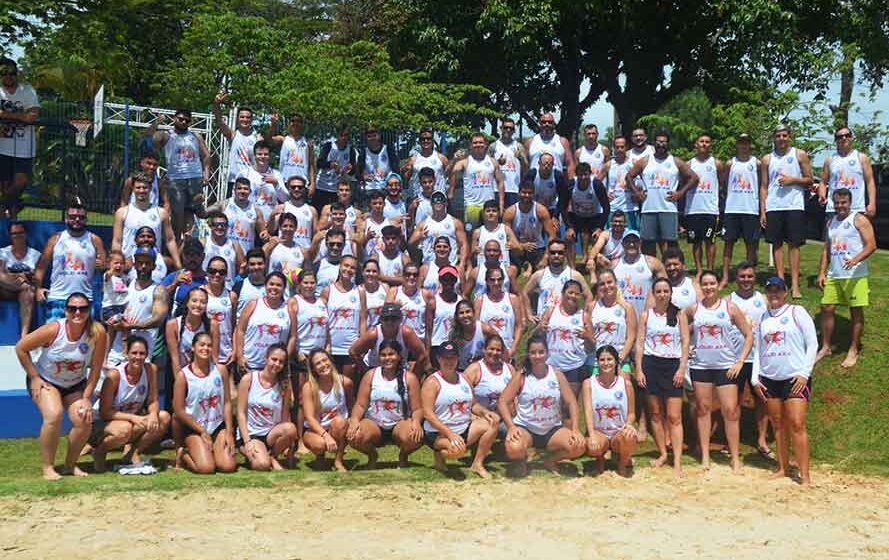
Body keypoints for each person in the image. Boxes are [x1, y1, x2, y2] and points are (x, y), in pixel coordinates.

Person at [15, 292, 107, 480]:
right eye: (72, 308)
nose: (77, 312)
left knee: (84, 419)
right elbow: (21, 348)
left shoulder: (98, 332)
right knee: (54, 415)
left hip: (75, 384)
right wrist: (34, 377)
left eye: (83, 308)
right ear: (65, 310)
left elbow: (96, 370)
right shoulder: (53, 329)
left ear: (89, 310)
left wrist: (86, 398)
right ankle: (48, 467)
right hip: (45, 379)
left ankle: (70, 465)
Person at [686, 270, 754, 473]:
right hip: (701, 366)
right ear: (700, 287)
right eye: (704, 284)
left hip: (726, 366)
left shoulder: (730, 307)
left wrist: (740, 361)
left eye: (712, 283)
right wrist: (687, 348)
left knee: (730, 411)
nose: (708, 288)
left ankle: (734, 458)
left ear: (718, 285)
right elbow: (682, 332)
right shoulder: (693, 310)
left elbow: (749, 334)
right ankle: (705, 456)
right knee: (703, 409)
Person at [753, 276, 817, 485]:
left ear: (785, 292)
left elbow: (812, 343)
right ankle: (783, 467)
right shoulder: (762, 318)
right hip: (770, 378)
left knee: (797, 423)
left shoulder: (796, 313)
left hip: (795, 377)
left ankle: (804, 474)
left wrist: (804, 373)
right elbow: (757, 350)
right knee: (778, 424)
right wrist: (755, 378)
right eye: (770, 290)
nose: (774, 294)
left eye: (778, 290)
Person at [498, 335, 586, 476]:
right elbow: (503, 401)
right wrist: (511, 427)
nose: (537, 356)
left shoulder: (556, 375)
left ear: (547, 353)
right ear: (528, 354)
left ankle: (550, 461)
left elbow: (572, 402)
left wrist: (575, 429)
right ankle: (521, 461)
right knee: (513, 448)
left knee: (579, 446)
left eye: (541, 352)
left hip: (552, 429)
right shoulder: (522, 376)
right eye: (533, 352)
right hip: (526, 428)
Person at [635, 278, 690, 477]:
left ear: (670, 293)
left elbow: (685, 343)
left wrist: (681, 369)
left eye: (666, 291)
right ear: (653, 293)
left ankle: (677, 460)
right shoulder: (646, 315)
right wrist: (639, 370)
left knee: (674, 417)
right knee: (656, 415)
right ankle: (663, 453)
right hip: (651, 365)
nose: (662, 294)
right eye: (658, 291)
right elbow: (640, 343)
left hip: (672, 366)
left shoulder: (679, 314)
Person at [816, 188, 876, 368]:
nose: (840, 206)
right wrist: (821, 272)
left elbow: (871, 245)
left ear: (850, 202)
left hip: (855, 275)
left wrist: (855, 260)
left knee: (855, 312)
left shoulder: (859, 219)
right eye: (837, 202)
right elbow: (827, 249)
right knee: (827, 307)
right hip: (835, 274)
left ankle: (853, 348)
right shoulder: (831, 221)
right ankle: (826, 346)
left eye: (844, 202)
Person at [92, 336, 170, 472]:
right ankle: (99, 452)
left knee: (163, 417)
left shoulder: (150, 369)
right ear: (126, 354)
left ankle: (133, 452)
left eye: (142, 354)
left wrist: (152, 413)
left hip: (132, 420)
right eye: (134, 353)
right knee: (124, 429)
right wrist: (134, 418)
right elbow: (104, 412)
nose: (138, 357)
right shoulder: (114, 375)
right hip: (102, 424)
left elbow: (153, 400)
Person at [421, 340, 499, 478]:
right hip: (439, 432)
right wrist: (450, 434)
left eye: (452, 357)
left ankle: (477, 464)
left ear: (457, 359)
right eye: (445, 358)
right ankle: (439, 453)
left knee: (493, 422)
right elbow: (427, 414)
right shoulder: (432, 382)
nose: (449, 361)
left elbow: (473, 404)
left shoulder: (464, 378)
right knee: (458, 451)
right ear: (438, 359)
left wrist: (486, 412)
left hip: (463, 428)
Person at [347, 340, 424, 468]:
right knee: (354, 436)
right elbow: (360, 404)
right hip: (374, 424)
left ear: (399, 356)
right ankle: (372, 455)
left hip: (399, 423)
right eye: (383, 355)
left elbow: (417, 408)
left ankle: (403, 455)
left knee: (413, 437)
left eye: (391, 354)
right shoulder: (370, 375)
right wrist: (354, 420)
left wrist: (416, 422)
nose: (387, 358)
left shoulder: (409, 378)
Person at [759, 124, 814, 299]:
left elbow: (809, 180)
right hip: (774, 206)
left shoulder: (799, 154)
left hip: (794, 205)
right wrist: (763, 210)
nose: (781, 139)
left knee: (794, 244)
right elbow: (764, 186)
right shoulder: (767, 159)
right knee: (776, 244)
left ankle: (795, 285)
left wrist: (792, 180)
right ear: (773, 138)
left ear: (789, 136)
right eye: (778, 136)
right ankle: (781, 282)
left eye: (784, 135)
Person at [626, 131, 699, 257]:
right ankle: (652, 270)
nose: (661, 144)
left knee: (671, 243)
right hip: (649, 208)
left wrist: (680, 193)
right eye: (659, 141)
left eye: (664, 142)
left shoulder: (675, 161)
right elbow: (629, 177)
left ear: (668, 144)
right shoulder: (645, 161)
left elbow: (694, 177)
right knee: (648, 243)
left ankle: (672, 268)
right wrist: (637, 193)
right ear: (654, 143)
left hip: (668, 208)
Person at [172, 332, 237, 474]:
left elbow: (227, 402)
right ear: (193, 348)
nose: (205, 348)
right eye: (202, 345)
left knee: (228, 467)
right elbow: (178, 411)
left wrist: (229, 431)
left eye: (209, 345)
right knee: (206, 468)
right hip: (195, 428)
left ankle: (212, 451)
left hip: (217, 425)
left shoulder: (221, 370)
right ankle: (184, 455)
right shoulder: (183, 376)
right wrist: (201, 431)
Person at [33, 199, 107, 321]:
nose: (77, 220)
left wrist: (102, 265)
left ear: (86, 219)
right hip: (58, 297)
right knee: (54, 337)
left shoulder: (94, 240)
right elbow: (41, 267)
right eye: (73, 217)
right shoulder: (56, 239)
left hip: (85, 299)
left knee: (85, 339)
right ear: (66, 219)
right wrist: (37, 289)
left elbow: (105, 266)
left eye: (81, 217)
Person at [728, 261, 772, 458]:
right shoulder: (728, 301)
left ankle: (762, 439)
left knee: (762, 399)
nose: (746, 280)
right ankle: (732, 441)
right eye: (742, 276)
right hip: (735, 359)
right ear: (736, 278)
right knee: (732, 402)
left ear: (755, 278)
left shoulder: (763, 299)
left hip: (758, 358)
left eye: (750, 276)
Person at [148, 110, 211, 240]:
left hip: (195, 177)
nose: (183, 122)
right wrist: (157, 123)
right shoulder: (166, 135)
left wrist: (206, 174)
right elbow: (149, 139)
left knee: (196, 211)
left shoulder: (195, 135)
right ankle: (175, 241)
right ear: (174, 118)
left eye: (186, 120)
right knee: (177, 213)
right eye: (181, 119)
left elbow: (206, 156)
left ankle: (188, 241)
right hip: (175, 179)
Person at [236, 343, 298, 471]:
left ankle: (272, 456)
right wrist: (247, 441)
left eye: (281, 362)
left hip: (271, 433)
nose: (276, 364)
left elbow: (285, 417)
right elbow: (240, 413)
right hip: (252, 433)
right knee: (262, 465)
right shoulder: (248, 379)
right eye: (274, 359)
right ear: (266, 358)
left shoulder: (284, 385)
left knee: (291, 428)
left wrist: (288, 442)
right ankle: (258, 454)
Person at [105, 247, 168, 366]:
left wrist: (130, 326)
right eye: (140, 263)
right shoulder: (126, 283)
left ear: (153, 266)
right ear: (134, 264)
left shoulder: (158, 290)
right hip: (116, 352)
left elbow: (158, 320)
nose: (143, 266)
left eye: (147, 263)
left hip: (141, 354)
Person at [582, 345, 638, 476]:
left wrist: (629, 425)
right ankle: (600, 459)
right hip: (600, 432)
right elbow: (588, 412)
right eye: (602, 360)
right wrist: (592, 434)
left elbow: (631, 413)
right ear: (597, 362)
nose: (606, 363)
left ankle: (622, 463)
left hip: (618, 432)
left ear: (616, 361)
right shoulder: (589, 384)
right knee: (591, 445)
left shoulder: (626, 384)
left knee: (630, 437)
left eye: (609, 359)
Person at [719, 133, 763, 290]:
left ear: (750, 145)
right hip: (732, 209)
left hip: (751, 209)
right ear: (737, 144)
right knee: (728, 243)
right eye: (741, 142)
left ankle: (749, 277)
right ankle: (724, 277)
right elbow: (723, 184)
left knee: (751, 245)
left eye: (746, 143)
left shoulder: (757, 163)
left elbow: (762, 183)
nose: (743, 146)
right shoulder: (730, 163)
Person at [538, 280, 596, 395]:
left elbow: (591, 348)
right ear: (563, 293)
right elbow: (537, 338)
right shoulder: (551, 311)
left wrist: (588, 337)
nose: (573, 296)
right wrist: (539, 329)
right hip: (551, 366)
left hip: (574, 367)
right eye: (570, 292)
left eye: (577, 294)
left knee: (568, 407)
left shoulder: (584, 316)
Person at [112, 172, 180, 268]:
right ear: (133, 189)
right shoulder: (122, 212)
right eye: (138, 187)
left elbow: (170, 240)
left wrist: (178, 265)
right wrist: (116, 262)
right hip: (129, 264)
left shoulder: (161, 213)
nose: (141, 190)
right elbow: (117, 241)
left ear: (150, 189)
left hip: (153, 265)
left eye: (145, 187)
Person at [0, 57, 40, 217]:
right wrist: (20, 115)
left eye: (12, 73)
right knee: (4, 186)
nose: (8, 76)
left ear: (17, 74)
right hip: (3, 147)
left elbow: (32, 117)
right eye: (4, 73)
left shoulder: (27, 90)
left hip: (24, 147)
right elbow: (25, 115)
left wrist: (5, 114)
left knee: (20, 183)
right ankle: (10, 219)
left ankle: (4, 207)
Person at [236, 272, 297, 375]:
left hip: (275, 367)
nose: (274, 288)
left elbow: (293, 336)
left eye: (279, 285)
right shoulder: (253, 304)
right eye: (271, 284)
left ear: (284, 288)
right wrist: (240, 356)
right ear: (265, 285)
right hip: (250, 364)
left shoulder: (289, 309)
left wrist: (284, 359)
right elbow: (240, 330)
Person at [302, 349, 353, 472]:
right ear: (313, 369)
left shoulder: (345, 382)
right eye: (318, 363)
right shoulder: (308, 387)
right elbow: (309, 417)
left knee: (340, 422)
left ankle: (338, 460)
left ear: (331, 361)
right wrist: (325, 436)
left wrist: (352, 422)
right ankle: (320, 457)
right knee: (319, 445)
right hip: (316, 430)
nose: (323, 365)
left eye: (325, 360)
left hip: (339, 426)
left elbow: (352, 406)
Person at [523, 239, 593, 324]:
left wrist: (584, 316)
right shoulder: (539, 275)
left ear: (565, 254)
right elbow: (525, 293)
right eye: (553, 252)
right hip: (544, 324)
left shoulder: (574, 275)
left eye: (560, 252)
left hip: (567, 323)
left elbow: (589, 296)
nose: (556, 255)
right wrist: (529, 315)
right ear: (548, 254)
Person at [685, 133, 723, 277]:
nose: (704, 144)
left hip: (710, 209)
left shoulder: (716, 163)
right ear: (696, 144)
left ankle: (710, 270)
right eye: (701, 141)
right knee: (696, 242)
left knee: (710, 241)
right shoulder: (689, 164)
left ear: (710, 145)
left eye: (707, 142)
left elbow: (721, 182)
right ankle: (700, 270)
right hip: (693, 209)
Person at [213, 92, 270, 188]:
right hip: (234, 180)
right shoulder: (233, 134)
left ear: (251, 119)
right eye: (242, 117)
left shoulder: (257, 137)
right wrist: (216, 105)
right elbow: (219, 121)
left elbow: (264, 158)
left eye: (248, 117)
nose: (245, 119)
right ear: (237, 118)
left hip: (251, 180)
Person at [350, 302, 428, 372]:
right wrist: (366, 371)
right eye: (386, 319)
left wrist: (414, 374)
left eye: (393, 319)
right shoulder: (373, 334)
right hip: (375, 368)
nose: (390, 322)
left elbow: (422, 354)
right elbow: (353, 351)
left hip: (400, 370)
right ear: (381, 320)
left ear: (400, 319)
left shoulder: (407, 333)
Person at [819, 126, 877, 219]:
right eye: (840, 137)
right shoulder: (830, 160)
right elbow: (823, 182)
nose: (844, 138)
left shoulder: (861, 158)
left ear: (852, 138)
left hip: (856, 208)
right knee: (833, 234)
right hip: (834, 209)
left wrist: (872, 203)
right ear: (836, 140)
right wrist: (822, 195)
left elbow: (870, 182)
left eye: (847, 135)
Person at [588, 269, 637, 375]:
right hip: (596, 361)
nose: (606, 286)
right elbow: (589, 335)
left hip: (620, 360)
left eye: (609, 282)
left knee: (625, 386)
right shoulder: (592, 306)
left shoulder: (627, 308)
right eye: (602, 284)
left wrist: (618, 360)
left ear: (616, 282)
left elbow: (631, 337)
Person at [323, 255, 364, 380]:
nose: (348, 269)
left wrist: (362, 344)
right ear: (340, 266)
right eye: (346, 265)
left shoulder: (360, 291)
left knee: (348, 386)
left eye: (352, 267)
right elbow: (322, 320)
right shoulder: (328, 290)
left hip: (350, 347)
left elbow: (363, 319)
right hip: (332, 347)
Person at [449, 132, 505, 225]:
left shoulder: (493, 162)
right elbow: (451, 173)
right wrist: (451, 190)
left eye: (480, 142)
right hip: (471, 206)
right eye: (475, 143)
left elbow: (501, 182)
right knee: (471, 234)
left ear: (486, 144)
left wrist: (501, 203)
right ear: (470, 145)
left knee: (489, 233)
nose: (478, 145)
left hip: (489, 206)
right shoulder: (464, 162)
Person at [503, 180, 557, 272]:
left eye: (529, 193)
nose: (527, 195)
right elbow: (505, 236)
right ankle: (523, 266)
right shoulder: (510, 212)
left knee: (543, 272)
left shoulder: (541, 210)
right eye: (524, 192)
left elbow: (552, 235)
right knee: (511, 271)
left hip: (537, 247)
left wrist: (546, 257)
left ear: (534, 194)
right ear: (519, 193)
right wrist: (521, 246)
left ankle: (532, 267)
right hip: (517, 248)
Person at [564, 161, 610, 267]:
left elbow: (606, 207)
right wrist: (569, 227)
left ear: (590, 174)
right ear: (576, 175)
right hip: (577, 216)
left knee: (598, 237)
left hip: (595, 216)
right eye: (580, 174)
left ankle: (596, 265)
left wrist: (599, 227)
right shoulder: (571, 185)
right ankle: (572, 268)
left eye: (586, 174)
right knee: (568, 237)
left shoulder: (597, 185)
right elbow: (563, 206)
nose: (583, 177)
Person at [612, 230, 665, 318]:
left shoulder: (652, 262)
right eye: (628, 242)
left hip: (646, 316)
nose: (631, 244)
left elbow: (666, 287)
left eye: (634, 241)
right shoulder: (614, 264)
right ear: (622, 243)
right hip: (621, 316)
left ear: (640, 243)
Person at [208, 176, 268, 255]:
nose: (242, 191)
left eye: (245, 189)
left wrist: (265, 235)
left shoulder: (256, 210)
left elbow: (263, 234)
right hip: (225, 253)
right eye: (239, 188)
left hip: (246, 255)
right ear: (234, 190)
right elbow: (204, 214)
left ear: (250, 191)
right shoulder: (224, 205)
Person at [474, 265, 523, 360]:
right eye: (492, 280)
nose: (496, 283)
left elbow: (519, 326)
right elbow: (477, 328)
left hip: (507, 350)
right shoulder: (480, 301)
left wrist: (513, 349)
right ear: (487, 281)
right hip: (487, 352)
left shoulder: (513, 299)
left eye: (499, 279)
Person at [0, 221, 40, 337]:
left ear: (26, 234)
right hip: (5, 289)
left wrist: (12, 275)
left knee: (28, 292)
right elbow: (1, 274)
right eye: (14, 233)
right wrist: (22, 276)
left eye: (20, 233)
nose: (17, 236)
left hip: (23, 290)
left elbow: (34, 277)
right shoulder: (3, 253)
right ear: (10, 236)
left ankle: (24, 335)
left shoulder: (35, 255)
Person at [409, 191, 467, 269]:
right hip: (429, 266)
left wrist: (462, 265)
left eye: (441, 200)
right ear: (431, 204)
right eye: (435, 200)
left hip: (450, 266)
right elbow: (410, 245)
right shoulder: (423, 224)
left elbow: (463, 244)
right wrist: (420, 237)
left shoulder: (455, 223)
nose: (438, 202)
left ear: (446, 203)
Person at [463, 334, 516, 419]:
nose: (494, 353)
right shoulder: (474, 369)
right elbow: (463, 395)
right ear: (484, 349)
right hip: (483, 417)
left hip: (506, 417)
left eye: (498, 350)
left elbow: (517, 395)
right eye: (491, 349)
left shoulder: (509, 369)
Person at [166, 286, 213, 378]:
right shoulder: (173, 325)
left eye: (203, 302)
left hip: (203, 374)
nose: (198, 305)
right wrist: (181, 383)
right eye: (194, 301)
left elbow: (213, 358)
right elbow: (175, 360)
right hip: (180, 375)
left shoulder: (212, 325)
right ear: (187, 303)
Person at [270, 113, 316, 200]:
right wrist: (273, 124)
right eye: (293, 121)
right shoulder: (283, 139)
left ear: (302, 124)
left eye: (298, 121)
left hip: (301, 184)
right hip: (284, 182)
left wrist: (313, 183)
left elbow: (311, 164)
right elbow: (269, 141)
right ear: (289, 124)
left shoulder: (307, 143)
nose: (295, 123)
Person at [315, 124, 358, 212]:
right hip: (322, 186)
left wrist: (350, 170)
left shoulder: (351, 150)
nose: (343, 138)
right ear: (337, 135)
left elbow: (352, 171)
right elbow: (319, 163)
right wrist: (330, 164)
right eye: (341, 135)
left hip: (337, 189)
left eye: (346, 135)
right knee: (320, 212)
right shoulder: (329, 146)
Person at [267, 175, 318, 250]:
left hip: (305, 251)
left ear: (304, 189)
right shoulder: (281, 208)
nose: (296, 189)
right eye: (293, 187)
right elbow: (271, 230)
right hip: (284, 250)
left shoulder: (312, 210)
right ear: (288, 189)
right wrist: (272, 216)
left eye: (300, 187)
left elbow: (315, 235)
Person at [263, 212, 308, 295]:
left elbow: (305, 276)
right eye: (285, 226)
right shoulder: (270, 246)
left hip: (292, 297)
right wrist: (269, 248)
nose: (288, 229)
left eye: (291, 226)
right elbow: (262, 267)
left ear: (296, 228)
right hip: (272, 295)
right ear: (280, 227)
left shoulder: (302, 251)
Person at [425, 265, 461, 364]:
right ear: (440, 280)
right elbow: (428, 331)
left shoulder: (460, 301)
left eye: (451, 279)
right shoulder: (433, 301)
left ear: (455, 280)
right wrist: (427, 357)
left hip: (454, 346)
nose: (448, 282)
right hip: (437, 346)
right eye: (445, 279)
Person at [602, 136, 640, 230]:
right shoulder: (609, 165)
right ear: (614, 148)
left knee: (632, 239)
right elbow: (596, 183)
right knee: (612, 239)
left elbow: (644, 182)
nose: (619, 149)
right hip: (613, 207)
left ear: (626, 147)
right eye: (617, 147)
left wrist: (638, 193)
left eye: (622, 147)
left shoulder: (634, 163)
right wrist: (604, 193)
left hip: (630, 207)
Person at [489, 117, 528, 207]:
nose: (508, 130)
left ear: (514, 131)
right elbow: (486, 166)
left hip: (514, 189)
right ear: (501, 128)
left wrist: (521, 157)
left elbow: (526, 167)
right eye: (506, 127)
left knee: (512, 217)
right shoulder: (493, 146)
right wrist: (497, 162)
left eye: (511, 128)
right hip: (496, 188)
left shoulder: (518, 146)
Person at [161, 238, 207, 314]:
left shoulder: (209, 280)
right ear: (183, 256)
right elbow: (159, 297)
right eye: (188, 254)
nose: (192, 258)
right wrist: (174, 284)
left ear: (203, 256)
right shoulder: (174, 277)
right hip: (176, 322)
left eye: (196, 254)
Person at [291, 269, 329, 362]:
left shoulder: (322, 302)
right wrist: (297, 353)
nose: (309, 286)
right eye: (305, 283)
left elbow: (327, 329)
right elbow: (289, 332)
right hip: (303, 355)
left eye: (312, 283)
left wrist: (328, 347)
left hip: (321, 356)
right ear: (299, 284)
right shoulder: (294, 301)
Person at [245, 140, 287, 222]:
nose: (262, 156)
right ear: (254, 155)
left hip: (271, 222)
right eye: (259, 154)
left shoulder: (277, 174)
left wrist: (276, 184)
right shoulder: (245, 174)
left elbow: (285, 199)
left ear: (270, 156)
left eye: (266, 154)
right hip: (250, 220)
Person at [449, 299, 497, 371]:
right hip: (463, 371)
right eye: (461, 313)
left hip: (483, 370)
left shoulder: (485, 329)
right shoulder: (455, 334)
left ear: (474, 313)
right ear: (457, 316)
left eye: (468, 312)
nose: (465, 315)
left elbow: (499, 345)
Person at [522, 152, 570, 223]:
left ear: (553, 164)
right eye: (544, 164)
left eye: (549, 164)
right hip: (534, 207)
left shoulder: (558, 176)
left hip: (552, 208)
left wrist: (555, 216)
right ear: (539, 163)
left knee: (554, 228)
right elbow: (524, 193)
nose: (546, 166)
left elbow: (563, 198)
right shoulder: (532, 174)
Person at [470, 199, 519, 268]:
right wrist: (474, 251)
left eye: (494, 211)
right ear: (483, 213)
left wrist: (513, 246)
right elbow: (472, 254)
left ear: (499, 213)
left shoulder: (505, 229)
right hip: (483, 267)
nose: (491, 213)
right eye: (488, 211)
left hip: (502, 267)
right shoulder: (478, 232)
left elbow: (519, 248)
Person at [525, 112, 575, 178]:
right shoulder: (530, 142)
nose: (547, 124)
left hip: (557, 185)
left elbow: (570, 164)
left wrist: (571, 182)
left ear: (554, 124)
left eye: (550, 122)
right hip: (534, 185)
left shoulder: (562, 141)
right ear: (540, 124)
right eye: (544, 122)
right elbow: (524, 165)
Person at [387, 262, 427, 342]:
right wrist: (395, 307)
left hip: (419, 341)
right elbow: (385, 316)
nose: (411, 277)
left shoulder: (425, 294)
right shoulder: (394, 292)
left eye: (415, 275)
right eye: (408, 274)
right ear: (403, 276)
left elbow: (429, 324)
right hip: (399, 340)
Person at [202, 211, 244, 289]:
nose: (220, 227)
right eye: (216, 225)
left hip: (228, 288)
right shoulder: (203, 242)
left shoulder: (235, 245)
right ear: (210, 226)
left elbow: (242, 268)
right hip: (206, 288)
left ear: (227, 227)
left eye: (223, 225)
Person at [402, 127, 450, 195]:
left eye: (428, 138)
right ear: (419, 141)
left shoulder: (442, 158)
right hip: (419, 199)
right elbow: (406, 177)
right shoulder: (413, 160)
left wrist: (450, 192)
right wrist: (404, 170)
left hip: (438, 200)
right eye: (423, 139)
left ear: (432, 140)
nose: (426, 141)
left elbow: (451, 175)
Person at [357, 126, 399, 194]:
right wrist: (363, 176)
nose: (372, 138)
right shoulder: (363, 153)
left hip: (386, 187)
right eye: (369, 136)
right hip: (369, 188)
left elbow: (396, 169)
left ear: (379, 136)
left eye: (374, 135)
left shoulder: (388, 150)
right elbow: (358, 173)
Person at [663, 247, 701, 311]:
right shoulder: (658, 286)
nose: (672, 268)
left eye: (675, 264)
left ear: (683, 265)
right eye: (668, 265)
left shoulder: (693, 285)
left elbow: (704, 309)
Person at [233, 248, 267, 319]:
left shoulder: (271, 287)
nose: (256, 267)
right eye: (252, 264)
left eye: (260, 264)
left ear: (265, 264)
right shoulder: (239, 286)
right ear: (247, 265)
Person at [314, 228, 347, 296]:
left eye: (339, 244)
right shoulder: (317, 266)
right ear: (326, 244)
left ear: (344, 245)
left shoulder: (348, 268)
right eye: (332, 244)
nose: (335, 247)